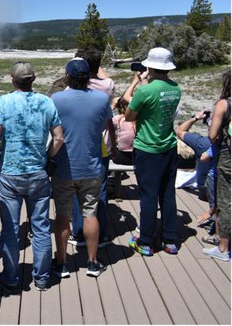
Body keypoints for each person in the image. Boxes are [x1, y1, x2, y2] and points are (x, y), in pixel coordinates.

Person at [0, 62, 63, 293]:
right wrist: (49, 158)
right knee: (40, 227)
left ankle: (10, 277)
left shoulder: (3, 102)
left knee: (10, 228)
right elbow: (59, 138)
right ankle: (41, 277)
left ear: (13, 79)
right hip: (38, 172)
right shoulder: (46, 102)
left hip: (10, 172)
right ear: (34, 79)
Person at [51, 58, 115, 278]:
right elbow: (107, 125)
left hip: (63, 167)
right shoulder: (101, 99)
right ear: (89, 76)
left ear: (68, 76)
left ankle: (61, 262)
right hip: (92, 166)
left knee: (62, 215)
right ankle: (92, 261)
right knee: (90, 213)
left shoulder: (57, 99)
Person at [123, 47, 182, 256]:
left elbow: (129, 116)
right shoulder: (176, 88)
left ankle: (146, 241)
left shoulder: (145, 91)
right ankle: (170, 239)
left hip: (147, 148)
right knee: (167, 193)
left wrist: (140, 82)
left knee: (148, 196)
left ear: (149, 66)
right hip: (168, 146)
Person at [204, 72, 231, 261]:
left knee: (225, 200)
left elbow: (212, 135)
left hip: (227, 155)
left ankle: (223, 247)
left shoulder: (224, 104)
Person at [175, 110, 218, 201]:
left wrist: (196, 118)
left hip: (207, 191)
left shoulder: (202, 143)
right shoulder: (225, 145)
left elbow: (180, 131)